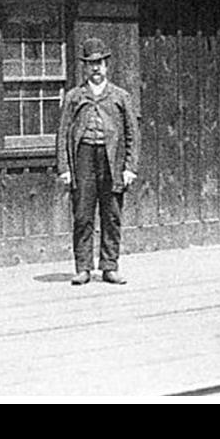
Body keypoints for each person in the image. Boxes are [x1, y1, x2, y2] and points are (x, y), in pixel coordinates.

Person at [57, 39, 140, 285]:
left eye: (100, 63)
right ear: (85, 67)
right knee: (82, 214)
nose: (96, 68)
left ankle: (109, 266)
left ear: (106, 66)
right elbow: (62, 133)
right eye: (91, 64)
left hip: (111, 160)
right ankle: (83, 267)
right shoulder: (74, 97)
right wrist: (64, 167)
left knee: (111, 213)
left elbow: (132, 134)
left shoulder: (120, 97)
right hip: (82, 158)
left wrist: (129, 167)